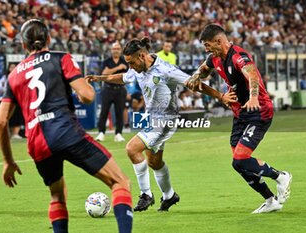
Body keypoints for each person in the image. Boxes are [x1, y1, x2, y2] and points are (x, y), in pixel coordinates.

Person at [0, 19, 133, 233]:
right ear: (49, 38)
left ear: (23, 45)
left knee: (57, 196)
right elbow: (87, 96)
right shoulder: (61, 58)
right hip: (66, 132)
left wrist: (8, 161)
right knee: (121, 182)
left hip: (38, 143)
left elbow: (1, 121)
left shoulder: (13, 76)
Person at [86, 37, 227, 212]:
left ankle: (146, 195)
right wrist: (100, 78)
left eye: (132, 62)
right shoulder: (137, 68)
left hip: (166, 120)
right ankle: (169, 196)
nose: (131, 67)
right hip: (152, 118)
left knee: (132, 149)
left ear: (142, 55)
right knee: (154, 162)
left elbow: (194, 84)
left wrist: (221, 96)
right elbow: (123, 77)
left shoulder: (165, 70)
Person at [187, 24, 292, 214]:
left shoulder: (238, 55)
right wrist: (196, 77)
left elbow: (251, 73)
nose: (206, 49)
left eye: (207, 45)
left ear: (219, 41)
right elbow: (203, 70)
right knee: (239, 164)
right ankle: (270, 201)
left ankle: (281, 176)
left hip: (258, 110)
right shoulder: (214, 58)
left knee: (240, 158)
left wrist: (253, 96)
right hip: (240, 114)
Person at [96, 41, 128, 142]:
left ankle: (118, 133)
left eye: (118, 49)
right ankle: (101, 132)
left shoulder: (125, 61)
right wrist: (118, 68)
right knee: (104, 111)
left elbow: (125, 76)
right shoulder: (107, 61)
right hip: (108, 89)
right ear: (111, 50)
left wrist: (110, 72)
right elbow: (104, 74)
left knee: (119, 112)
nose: (116, 51)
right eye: (114, 49)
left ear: (121, 50)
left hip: (120, 90)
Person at [0, 63, 24, 139]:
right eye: (11, 67)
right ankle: (6, 134)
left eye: (14, 67)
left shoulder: (20, 75)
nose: (12, 68)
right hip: (6, 100)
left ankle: (15, 133)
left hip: (17, 100)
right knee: (4, 117)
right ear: (8, 68)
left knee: (18, 115)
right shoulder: (5, 78)